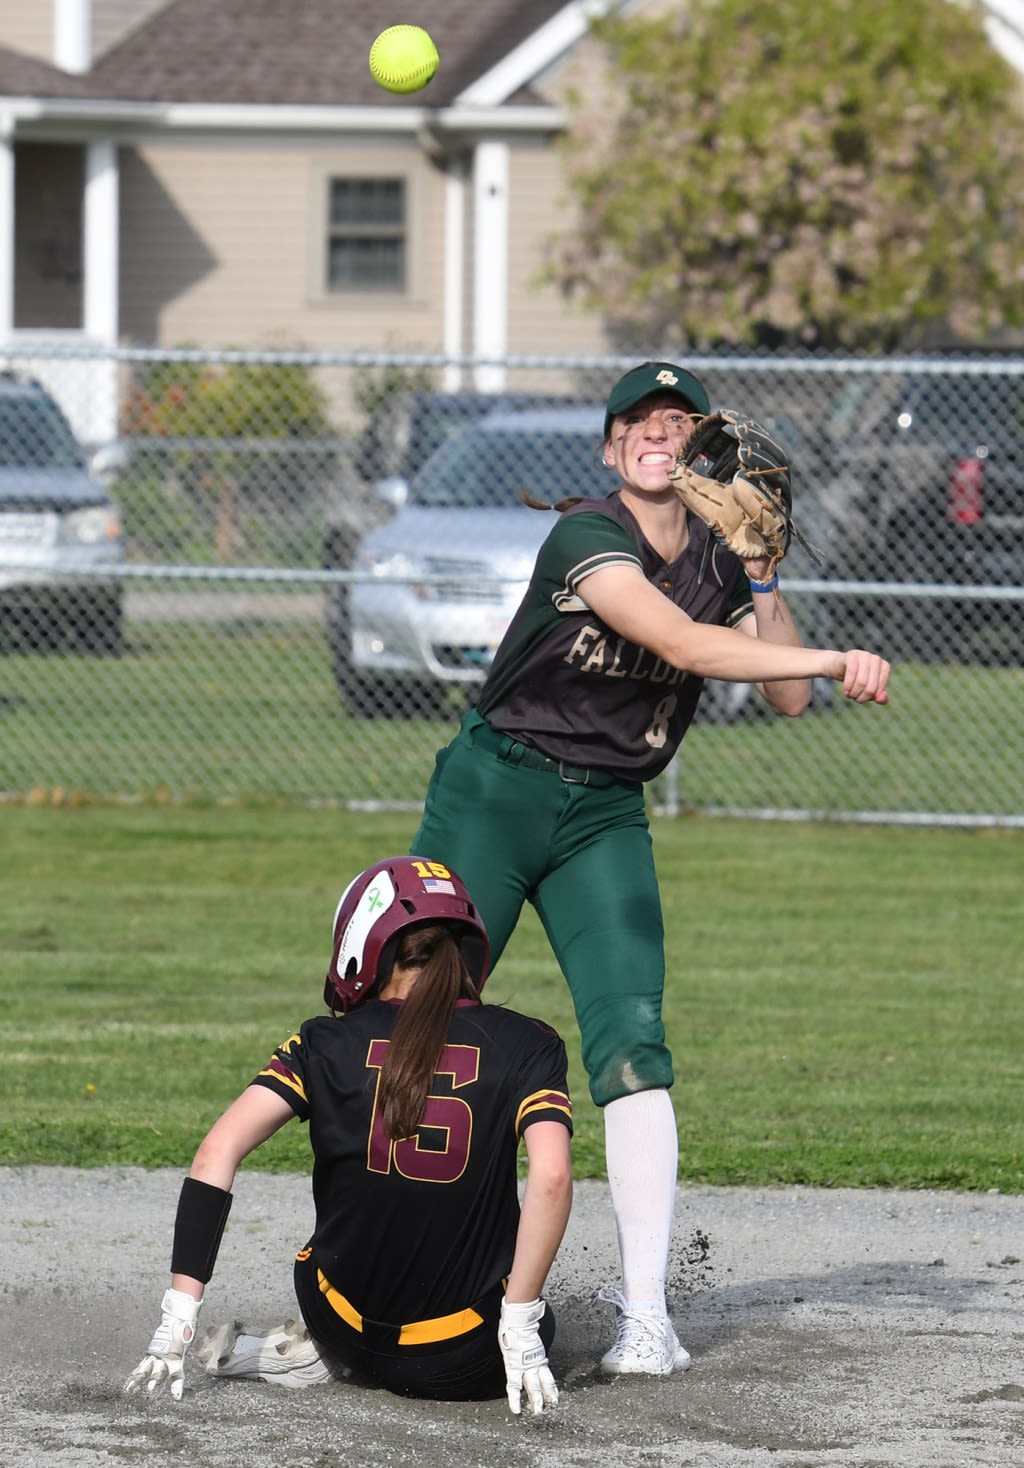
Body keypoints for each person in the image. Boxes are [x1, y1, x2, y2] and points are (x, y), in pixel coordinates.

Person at [411, 359, 891, 1378]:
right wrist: (828, 657)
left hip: (604, 814)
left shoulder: (722, 560)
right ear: (610, 446)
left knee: (634, 1041)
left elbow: (786, 706)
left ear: (697, 445)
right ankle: (394, 1275)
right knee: (422, 1020)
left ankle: (642, 1315)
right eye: (638, 419)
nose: (657, 432)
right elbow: (681, 642)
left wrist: (764, 581)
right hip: (494, 791)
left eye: (676, 418)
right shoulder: (586, 533)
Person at [125, 856, 573, 1415]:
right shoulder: (530, 1043)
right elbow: (551, 1178)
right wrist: (523, 1322)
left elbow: (218, 1151)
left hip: (341, 1330)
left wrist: (178, 1318)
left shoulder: (322, 1042)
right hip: (465, 1360)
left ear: (364, 944)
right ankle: (516, 1323)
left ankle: (309, 1357)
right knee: (538, 1308)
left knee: (330, 1263)